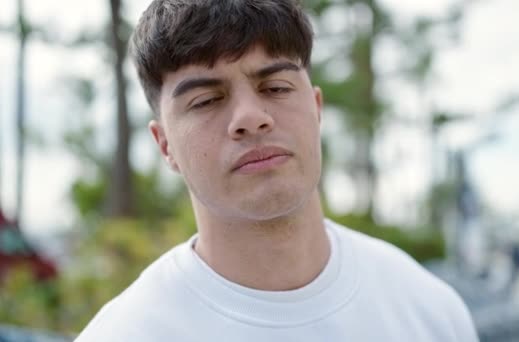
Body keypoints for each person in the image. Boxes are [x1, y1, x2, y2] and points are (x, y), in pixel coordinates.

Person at [76, 0, 478, 341]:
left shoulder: (430, 311)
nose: (250, 118)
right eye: (205, 100)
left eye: (276, 88)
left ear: (316, 109)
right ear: (165, 145)